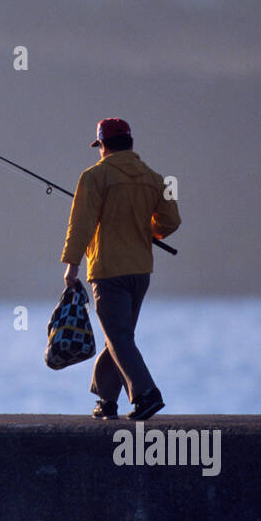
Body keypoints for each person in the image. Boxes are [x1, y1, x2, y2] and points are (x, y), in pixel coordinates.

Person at [60, 118, 180, 420]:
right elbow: (170, 221)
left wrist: (72, 265)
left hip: (107, 270)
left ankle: (146, 394)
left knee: (119, 337)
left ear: (103, 145)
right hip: (140, 270)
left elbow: (81, 224)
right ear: (130, 143)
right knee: (120, 336)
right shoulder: (156, 178)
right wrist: (149, 230)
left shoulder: (94, 177)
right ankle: (107, 401)